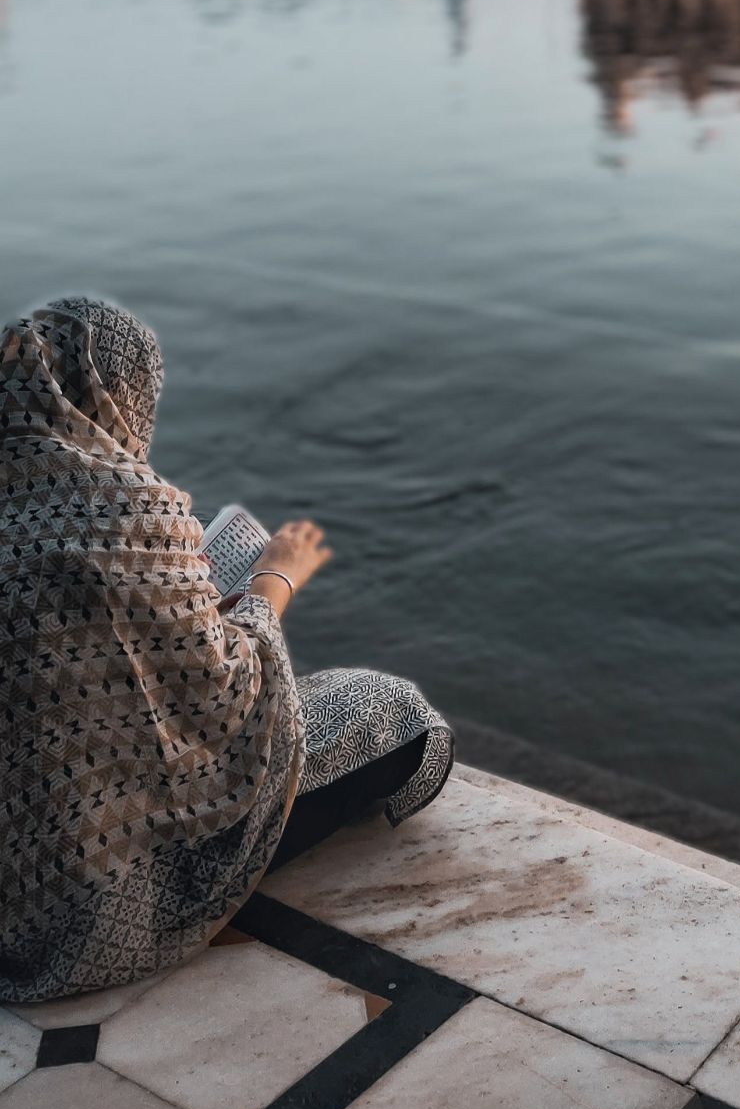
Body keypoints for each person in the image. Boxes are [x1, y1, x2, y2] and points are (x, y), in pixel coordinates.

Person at [0, 296, 453, 1004]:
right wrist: (274, 580)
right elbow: (227, 709)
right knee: (391, 711)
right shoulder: (130, 513)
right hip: (95, 910)